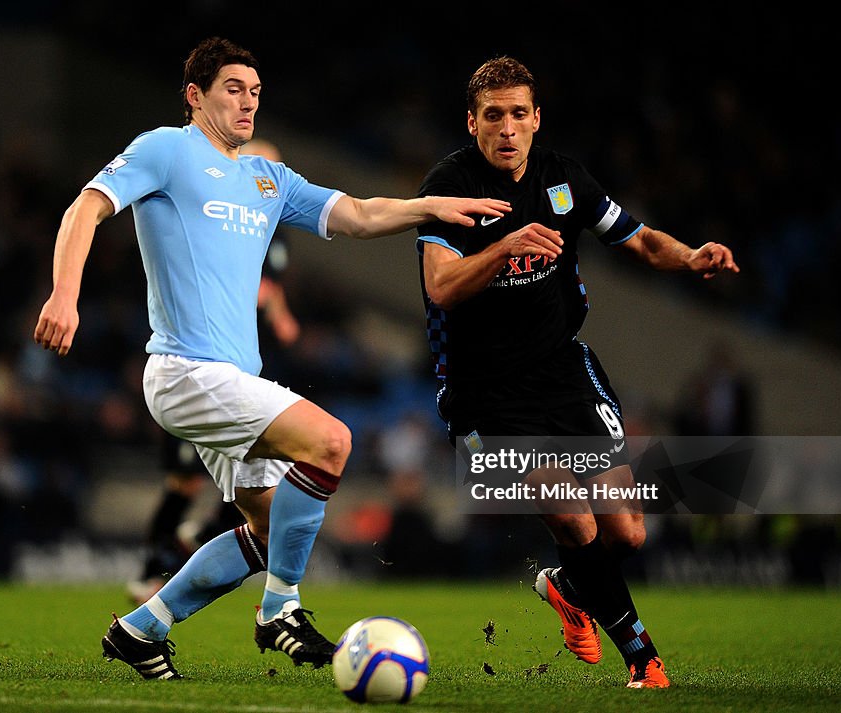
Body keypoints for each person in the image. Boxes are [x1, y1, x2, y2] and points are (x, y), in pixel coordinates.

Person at [33, 36, 510, 681]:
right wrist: (65, 295)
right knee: (332, 443)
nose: (248, 102)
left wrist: (427, 206)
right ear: (194, 96)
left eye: (255, 92)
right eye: (233, 88)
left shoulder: (267, 178)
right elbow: (84, 208)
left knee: (266, 530)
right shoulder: (166, 150)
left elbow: (360, 214)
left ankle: (141, 628)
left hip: (234, 377)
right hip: (185, 371)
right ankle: (279, 611)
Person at [415, 56, 738, 689]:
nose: (506, 129)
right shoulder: (448, 187)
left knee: (627, 531)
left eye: (517, 115)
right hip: (484, 392)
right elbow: (442, 287)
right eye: (492, 117)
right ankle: (643, 659)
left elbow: (640, 239)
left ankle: (567, 585)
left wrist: (690, 255)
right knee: (572, 514)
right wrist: (504, 245)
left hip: (562, 370)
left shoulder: (565, 178)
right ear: (472, 123)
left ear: (536, 119)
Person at [127, 138, 301, 607]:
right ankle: (152, 567)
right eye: (262, 169)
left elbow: (272, 286)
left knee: (254, 484)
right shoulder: (217, 218)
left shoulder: (274, 232)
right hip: (199, 370)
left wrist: (280, 314)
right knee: (185, 481)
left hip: (245, 371)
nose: (269, 181)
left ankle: (194, 547)